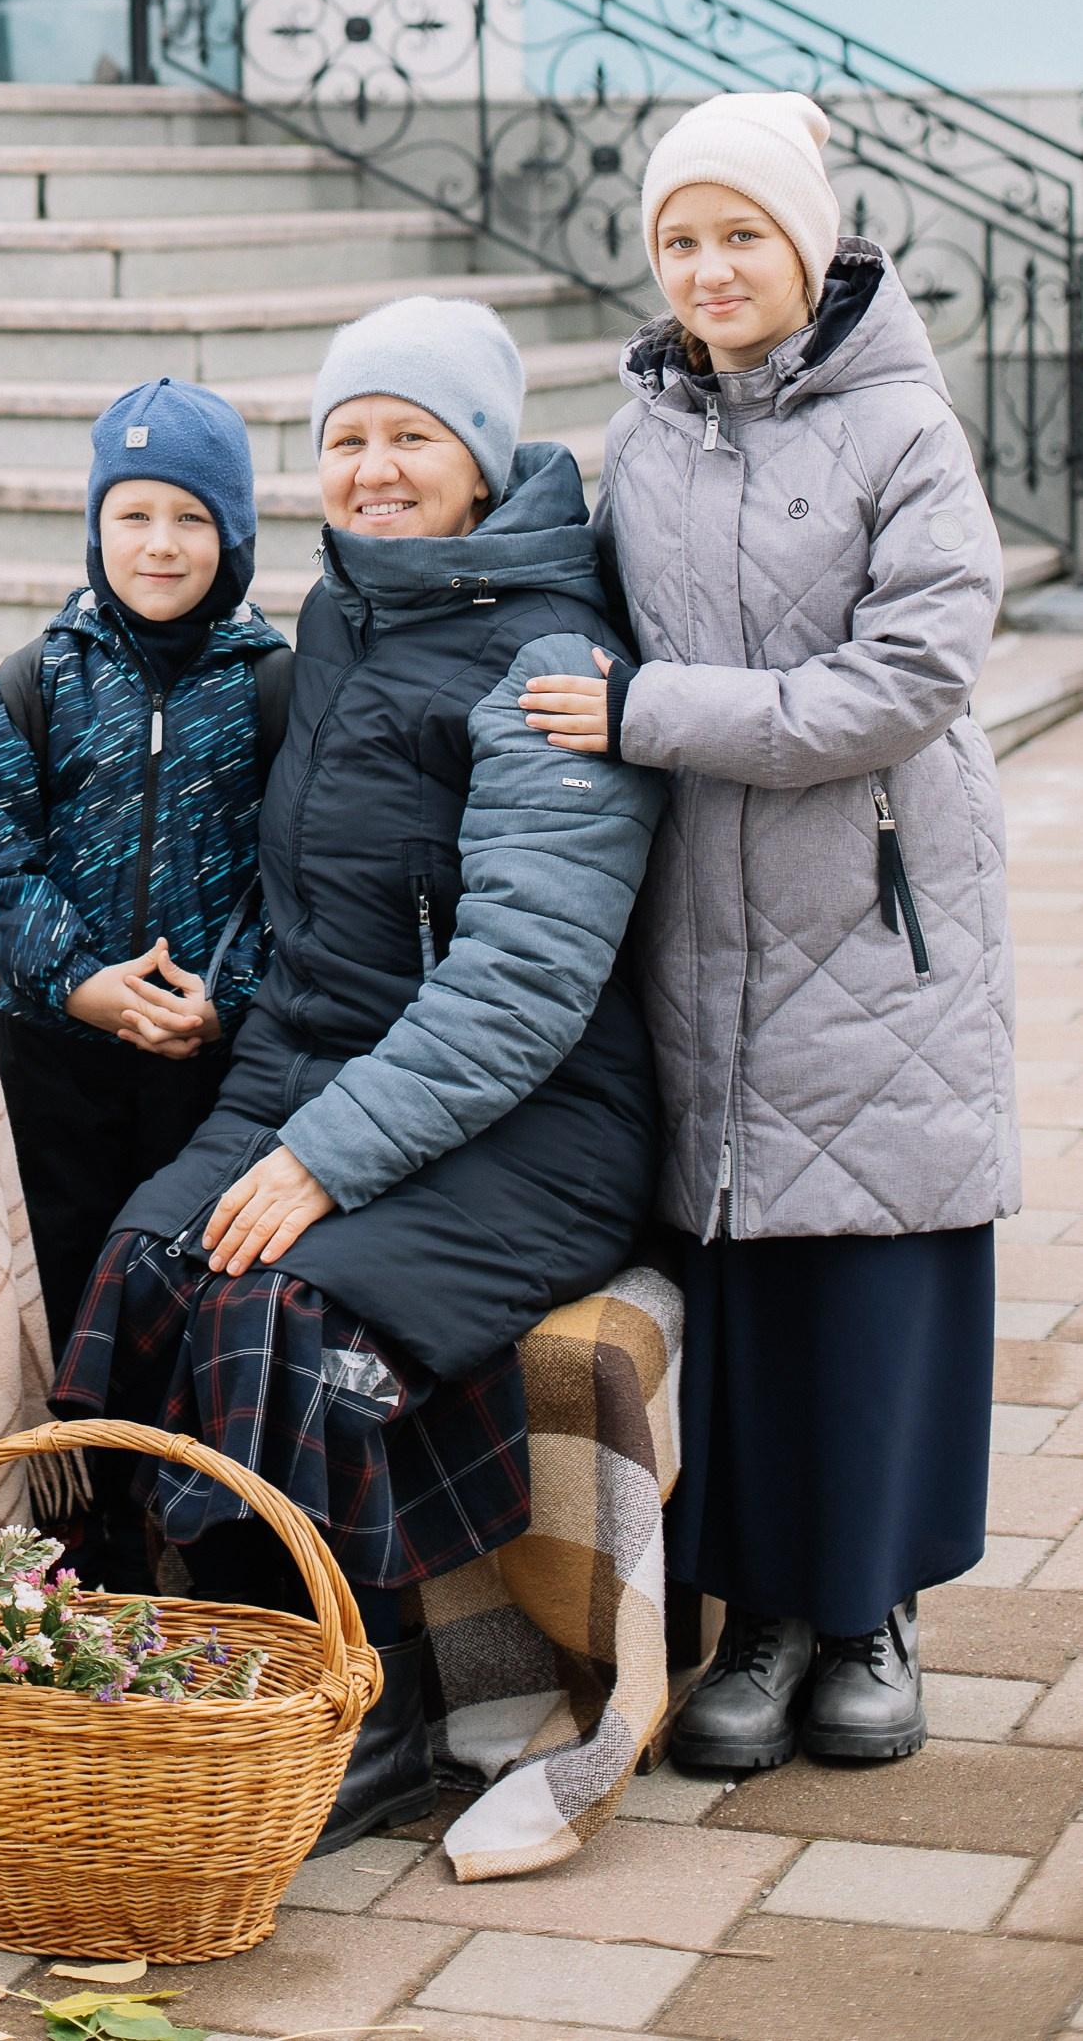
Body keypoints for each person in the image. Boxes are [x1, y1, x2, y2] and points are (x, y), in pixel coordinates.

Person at [57, 300, 665, 1849]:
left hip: (529, 1120)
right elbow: (323, 920)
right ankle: (185, 1670)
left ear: (478, 459)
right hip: (318, 1067)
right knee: (140, 1264)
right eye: (345, 441)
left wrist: (321, 1159)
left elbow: (521, 988)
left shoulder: (545, 652)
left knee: (284, 1303)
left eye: (411, 437)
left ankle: (372, 1702)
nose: (375, 470)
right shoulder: (342, 615)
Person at [522, 91, 1016, 1773]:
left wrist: (649, 710)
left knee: (865, 1266)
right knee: (732, 1275)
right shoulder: (646, 427)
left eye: (740, 235)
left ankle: (867, 1612)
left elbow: (906, 682)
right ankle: (757, 1618)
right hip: (701, 929)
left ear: (806, 246)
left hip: (874, 919)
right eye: (678, 240)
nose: (708, 267)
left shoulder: (903, 430)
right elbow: (574, 618)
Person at [0, 379, 289, 1360]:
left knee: (193, 1281)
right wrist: (80, 982)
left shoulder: (275, 685)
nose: (159, 542)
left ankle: (174, 1489)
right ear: (95, 526)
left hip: (211, 1058)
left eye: (191, 516)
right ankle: (75, 1493)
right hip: (57, 1058)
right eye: (131, 512)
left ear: (233, 534)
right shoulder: (35, 681)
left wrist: (229, 997)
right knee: (61, 1275)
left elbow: (298, 876)